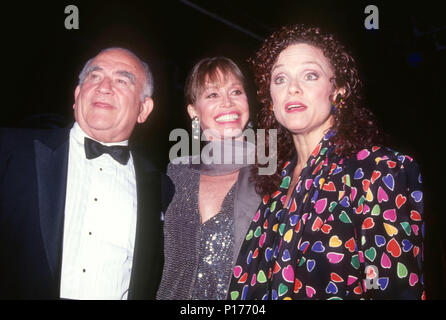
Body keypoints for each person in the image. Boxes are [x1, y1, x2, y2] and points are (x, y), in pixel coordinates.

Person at [228, 24, 425, 300]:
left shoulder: (379, 171)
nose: (293, 88)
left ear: (339, 90)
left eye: (310, 75)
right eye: (280, 79)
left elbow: (393, 290)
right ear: (270, 99)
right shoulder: (273, 187)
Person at [0, 47, 173, 299]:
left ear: (144, 109)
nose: (104, 86)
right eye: (94, 76)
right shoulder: (11, 150)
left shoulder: (161, 188)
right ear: (77, 94)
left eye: (122, 80)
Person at [156, 57, 261, 300]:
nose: (227, 102)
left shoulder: (275, 174)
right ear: (194, 111)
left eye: (236, 91)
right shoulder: (176, 173)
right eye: (212, 95)